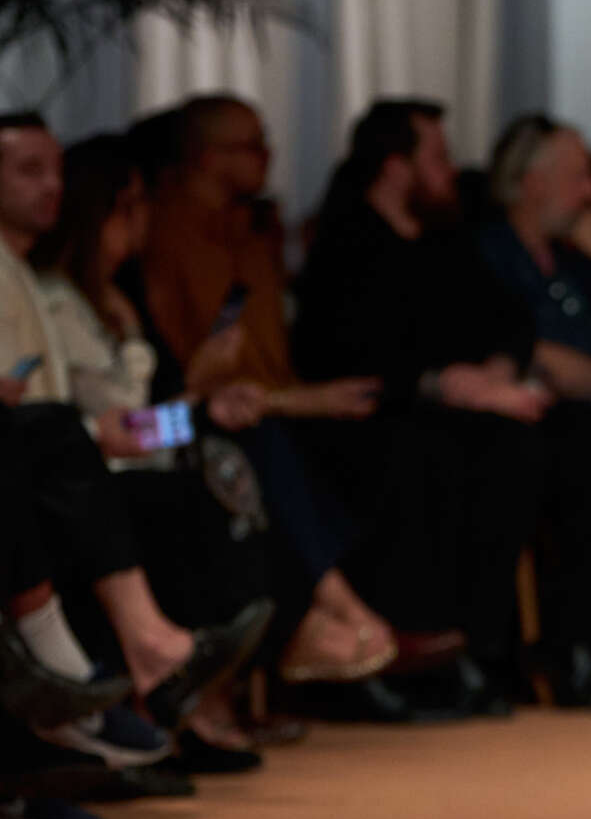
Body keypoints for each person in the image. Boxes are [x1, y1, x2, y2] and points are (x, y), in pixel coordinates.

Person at [0, 114, 270, 734]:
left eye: (57, 172)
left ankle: (180, 693)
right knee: (180, 491)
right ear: (109, 211)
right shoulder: (62, 300)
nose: (51, 187)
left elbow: (119, 428)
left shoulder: (100, 299)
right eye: (136, 205)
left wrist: (197, 408)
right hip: (78, 469)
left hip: (86, 460)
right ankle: (171, 699)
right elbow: (106, 429)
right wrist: (194, 398)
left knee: (224, 455)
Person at [136, 94, 399, 681]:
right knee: (259, 449)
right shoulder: (166, 245)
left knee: (377, 442)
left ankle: (344, 624)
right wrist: (232, 398)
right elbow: (157, 399)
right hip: (169, 426)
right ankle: (338, 613)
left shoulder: (251, 234)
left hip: (203, 415)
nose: (268, 156)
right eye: (251, 145)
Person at [294, 99, 548, 707]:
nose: (450, 169)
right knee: (419, 457)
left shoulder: (444, 241)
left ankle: (484, 652)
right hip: (363, 419)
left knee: (518, 449)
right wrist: (440, 383)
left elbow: (510, 318)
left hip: (454, 415)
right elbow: (336, 356)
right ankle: (406, 657)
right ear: (395, 166)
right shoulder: (346, 243)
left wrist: (494, 373)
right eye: (436, 157)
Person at [478, 116, 591, 705]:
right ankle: (531, 654)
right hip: (514, 420)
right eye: (578, 177)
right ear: (531, 182)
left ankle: (587, 653)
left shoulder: (575, 260)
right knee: (569, 456)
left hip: (583, 420)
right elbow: (537, 356)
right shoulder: (490, 252)